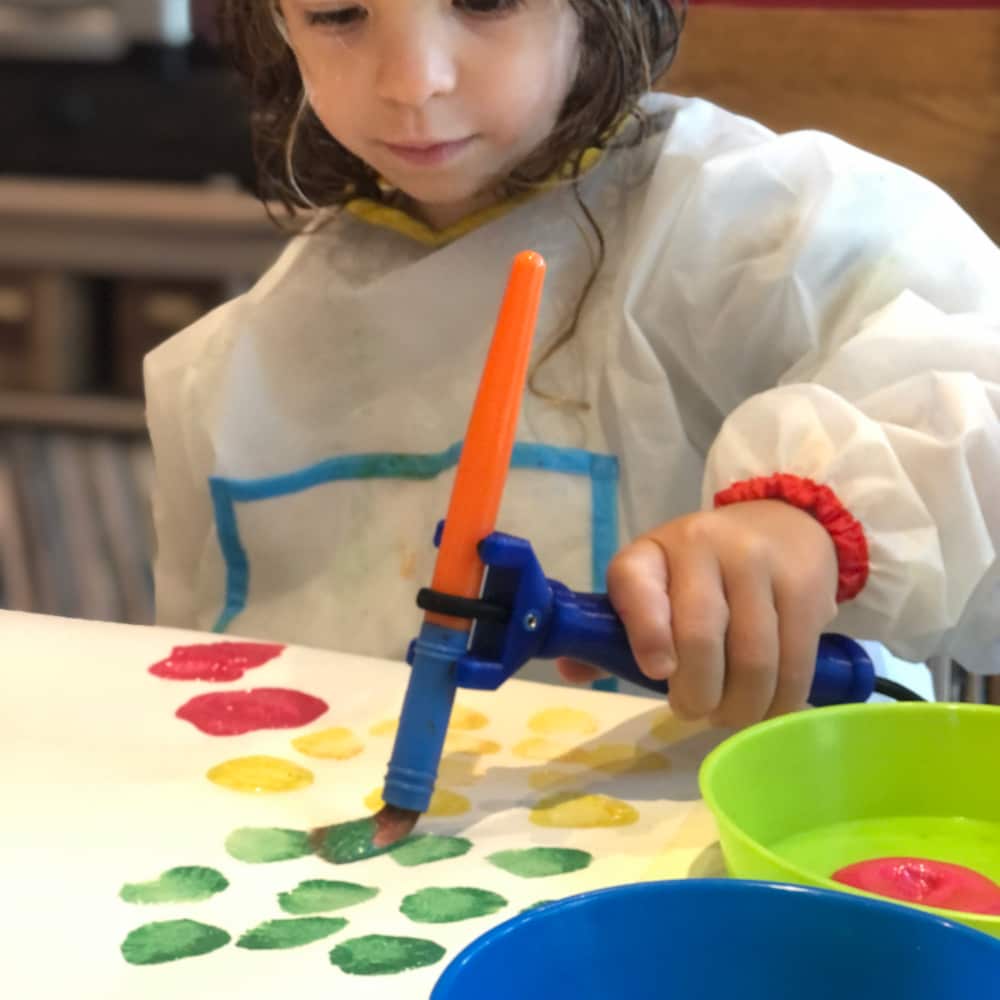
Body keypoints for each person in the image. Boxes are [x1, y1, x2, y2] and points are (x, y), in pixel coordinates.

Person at [144, 0, 1000, 728]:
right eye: (338, 13)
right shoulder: (248, 353)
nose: (413, 83)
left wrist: (812, 519)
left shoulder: (761, 223)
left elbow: (973, 374)